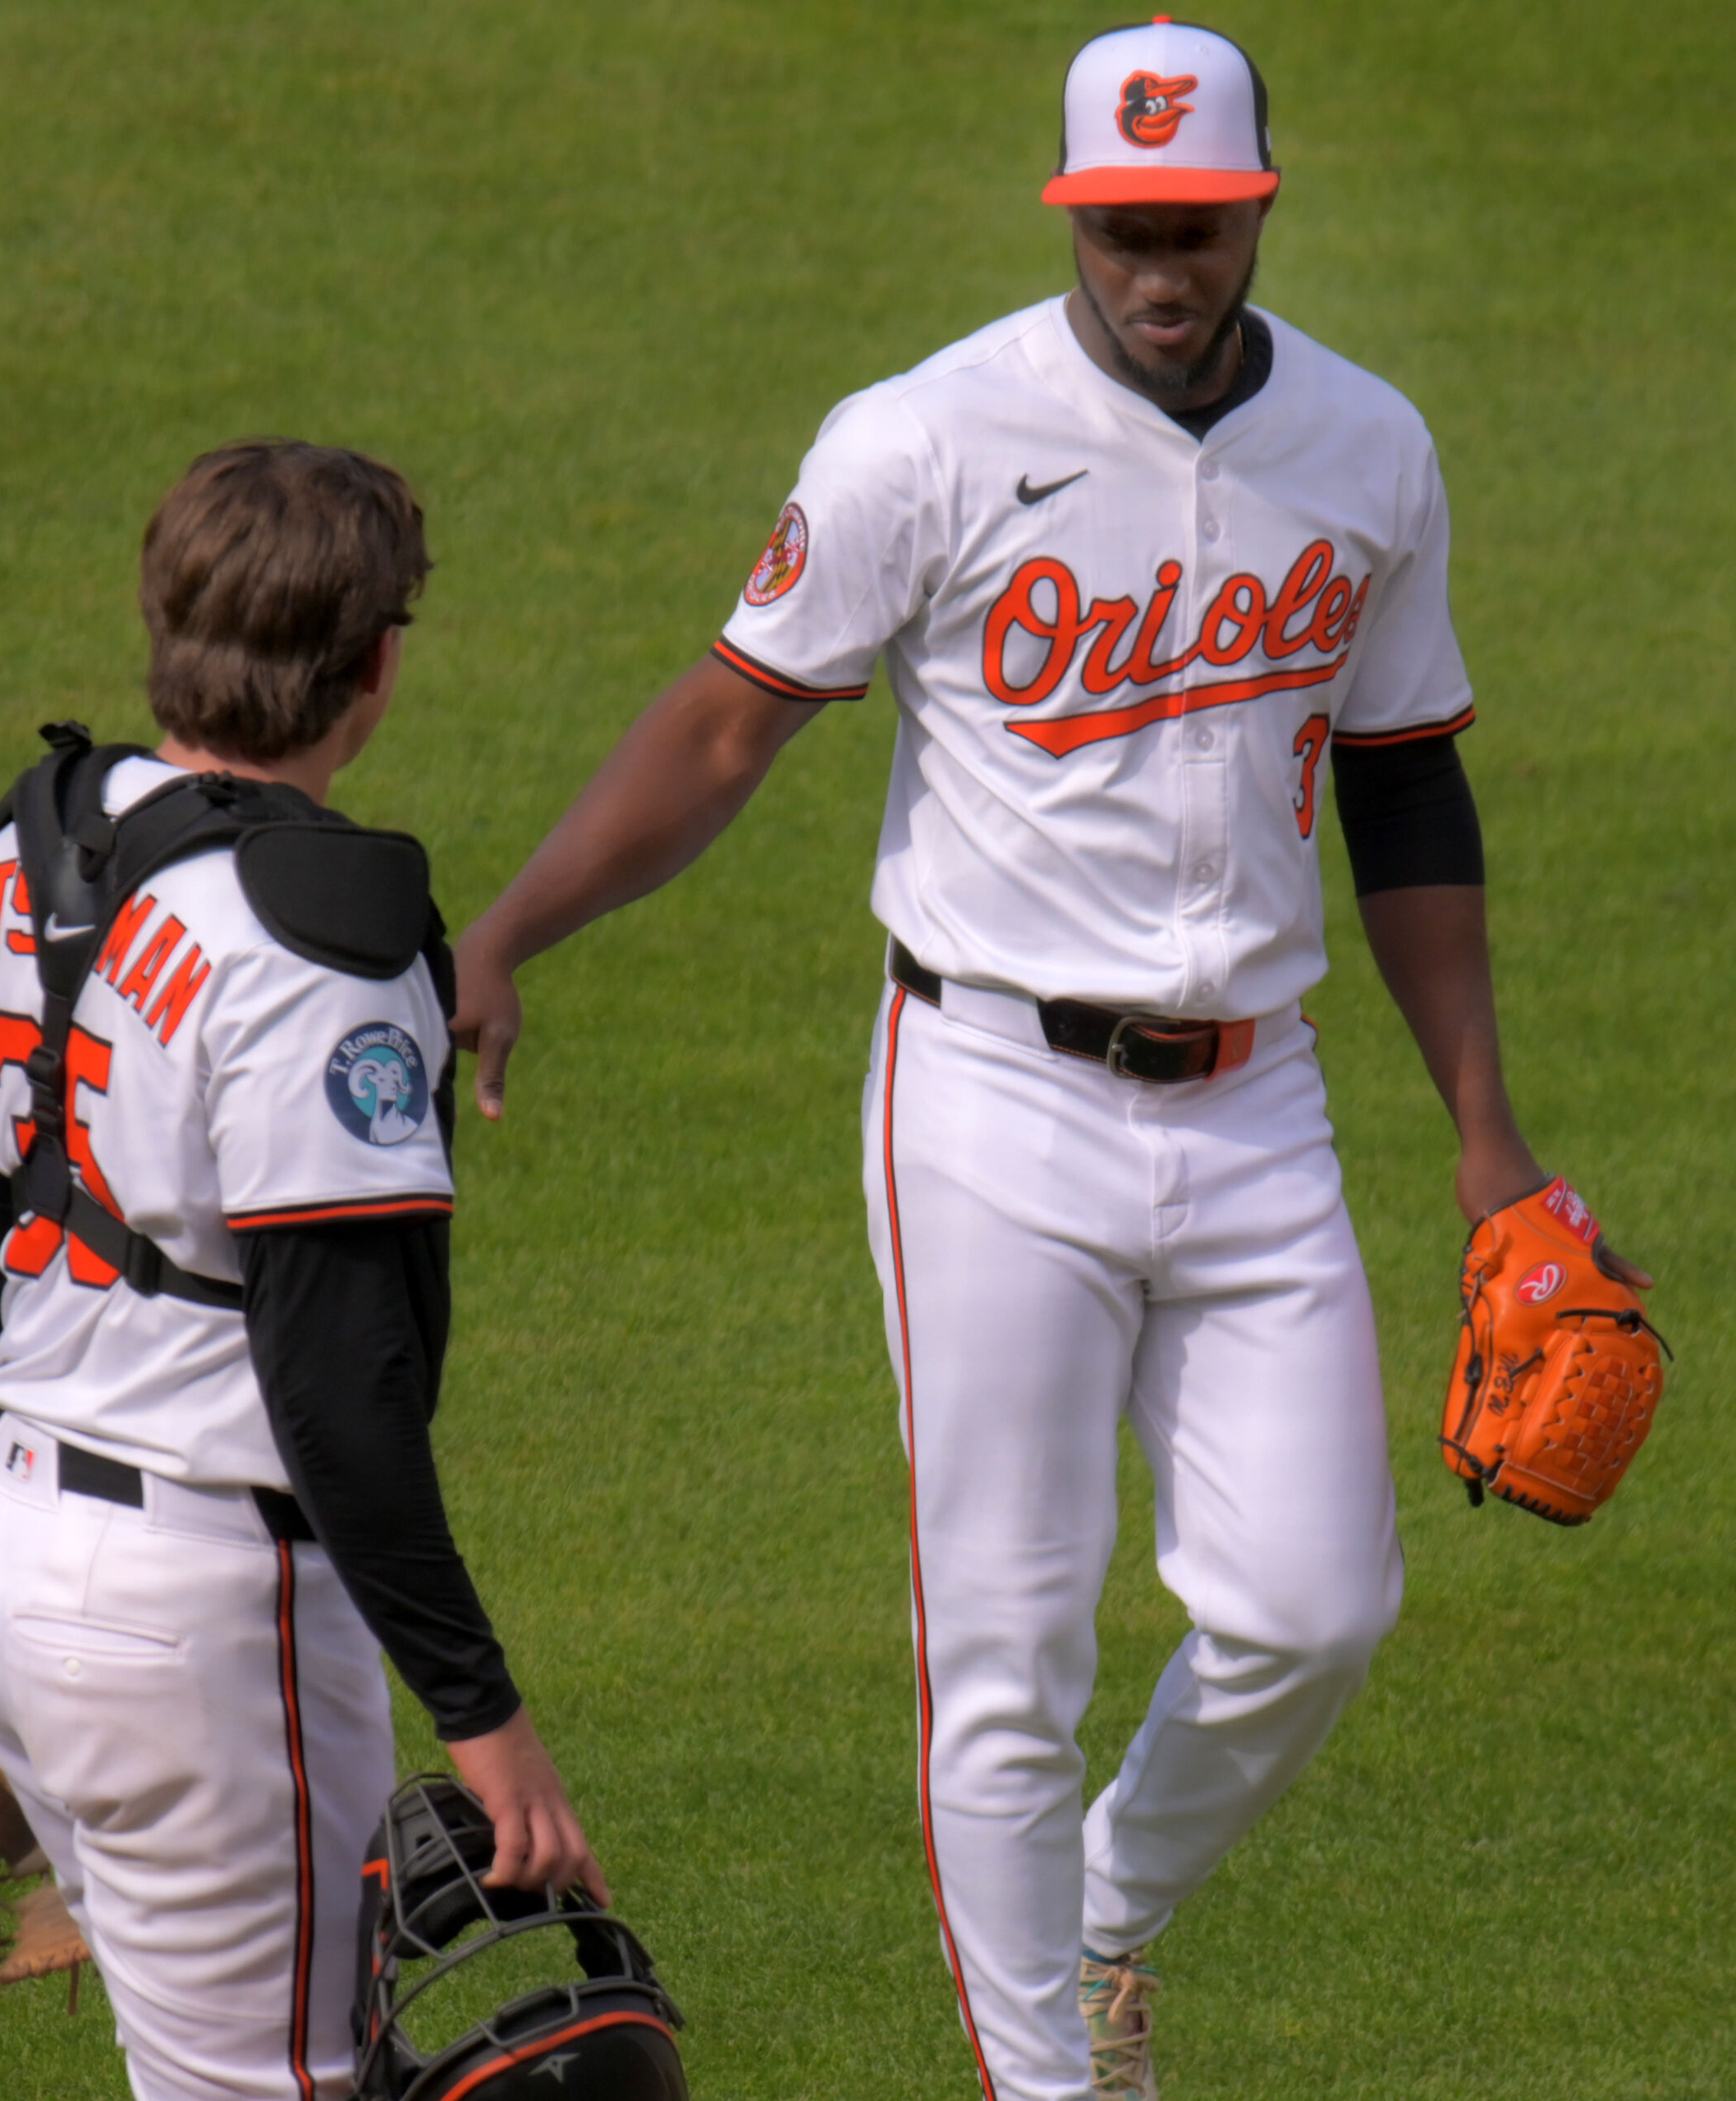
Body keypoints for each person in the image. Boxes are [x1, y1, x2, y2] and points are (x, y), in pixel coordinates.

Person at [447, 21, 1648, 2101]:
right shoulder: (921, 438)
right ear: (1067, 214)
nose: (1152, 270)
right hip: (990, 1100)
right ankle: (1043, 2080)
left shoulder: (1367, 445)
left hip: (1257, 1099)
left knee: (1315, 1606)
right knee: (1005, 1655)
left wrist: (1485, 1136)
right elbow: (728, 720)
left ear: (1255, 209)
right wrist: (506, 930)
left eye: (1190, 230)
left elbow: (1403, 785)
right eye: (1116, 230)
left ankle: (1097, 1908)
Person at [0, 440, 603, 2101]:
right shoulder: (318, 944)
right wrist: (485, 1715)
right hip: (200, 1614)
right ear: (375, 668)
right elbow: (341, 1384)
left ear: (165, 625)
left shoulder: (5, 868)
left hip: (8, 1550)